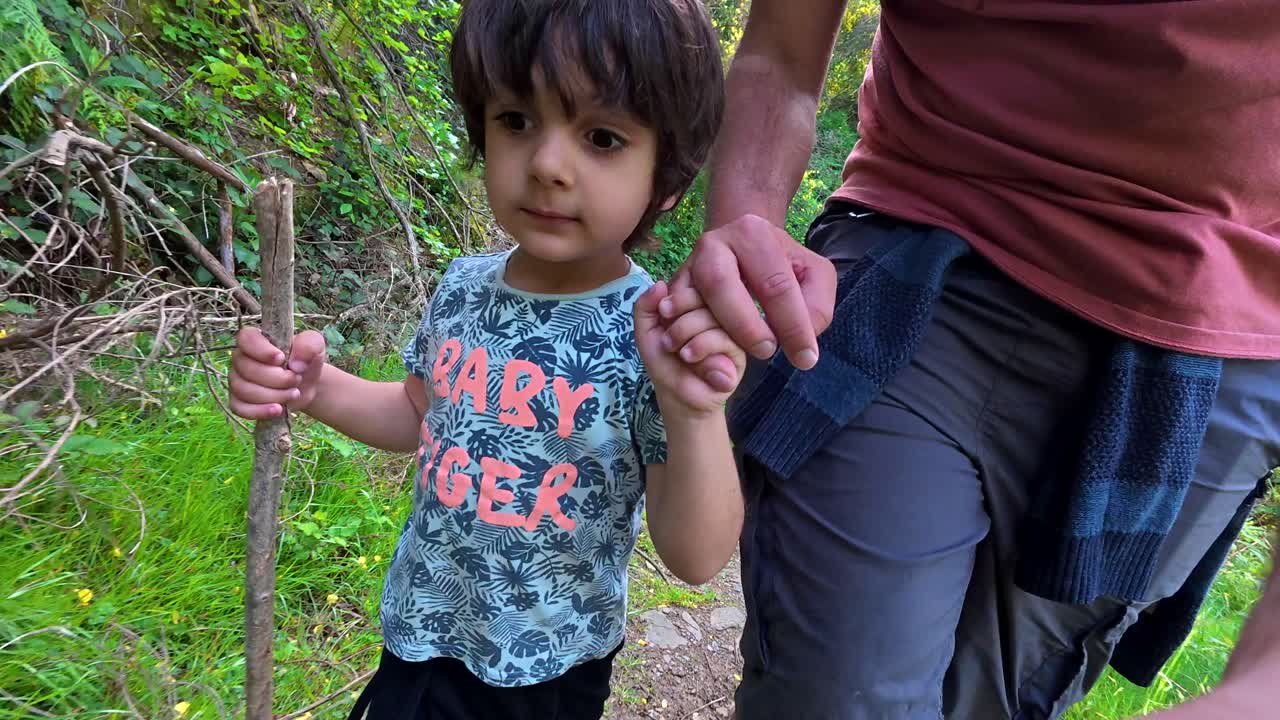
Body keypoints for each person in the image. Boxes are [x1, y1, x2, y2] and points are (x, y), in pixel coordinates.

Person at [656, 1, 1280, 718]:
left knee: (994, 702)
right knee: (835, 696)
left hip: (1209, 342)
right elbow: (780, 54)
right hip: (914, 275)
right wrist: (747, 229)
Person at [227, 2, 744, 718]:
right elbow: (417, 414)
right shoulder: (465, 288)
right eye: (516, 121)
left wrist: (694, 411)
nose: (548, 165)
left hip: (544, 673)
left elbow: (697, 557)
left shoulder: (653, 334)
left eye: (601, 136)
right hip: (420, 629)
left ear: (668, 178)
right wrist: (313, 387)